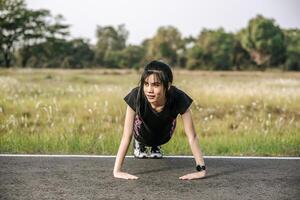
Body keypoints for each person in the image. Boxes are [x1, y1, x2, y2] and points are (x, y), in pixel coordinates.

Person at [113, 60, 206, 180]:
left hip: (165, 134)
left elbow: (192, 136)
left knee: (159, 136)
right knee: (142, 134)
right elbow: (126, 135)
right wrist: (117, 171)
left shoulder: (178, 97)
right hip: (141, 132)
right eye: (146, 84)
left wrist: (201, 170)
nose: (149, 90)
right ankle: (140, 144)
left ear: (167, 86)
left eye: (156, 85)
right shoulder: (136, 95)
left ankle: (156, 145)